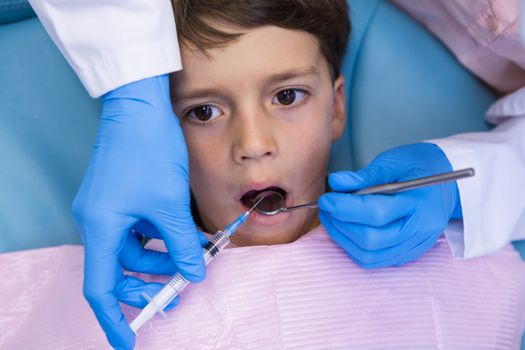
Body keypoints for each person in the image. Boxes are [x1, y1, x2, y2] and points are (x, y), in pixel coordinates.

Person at [1, 1, 524, 348]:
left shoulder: (469, 262)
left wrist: (474, 194)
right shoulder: (102, 289)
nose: (253, 145)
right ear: (155, 135)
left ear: (336, 107)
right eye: (203, 111)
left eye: (287, 96)